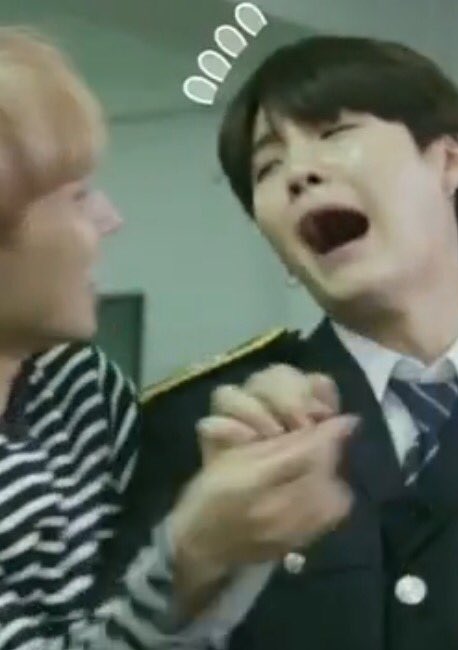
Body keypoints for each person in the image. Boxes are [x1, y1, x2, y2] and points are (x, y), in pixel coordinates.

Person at [113, 35, 458, 650]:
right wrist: (208, 548)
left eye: (335, 132)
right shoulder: (200, 430)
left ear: (449, 161)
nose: (298, 174)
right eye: (267, 168)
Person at [0, 27, 356, 649]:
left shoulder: (79, 389)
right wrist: (194, 551)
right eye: (77, 197)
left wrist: (244, 470)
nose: (110, 220)